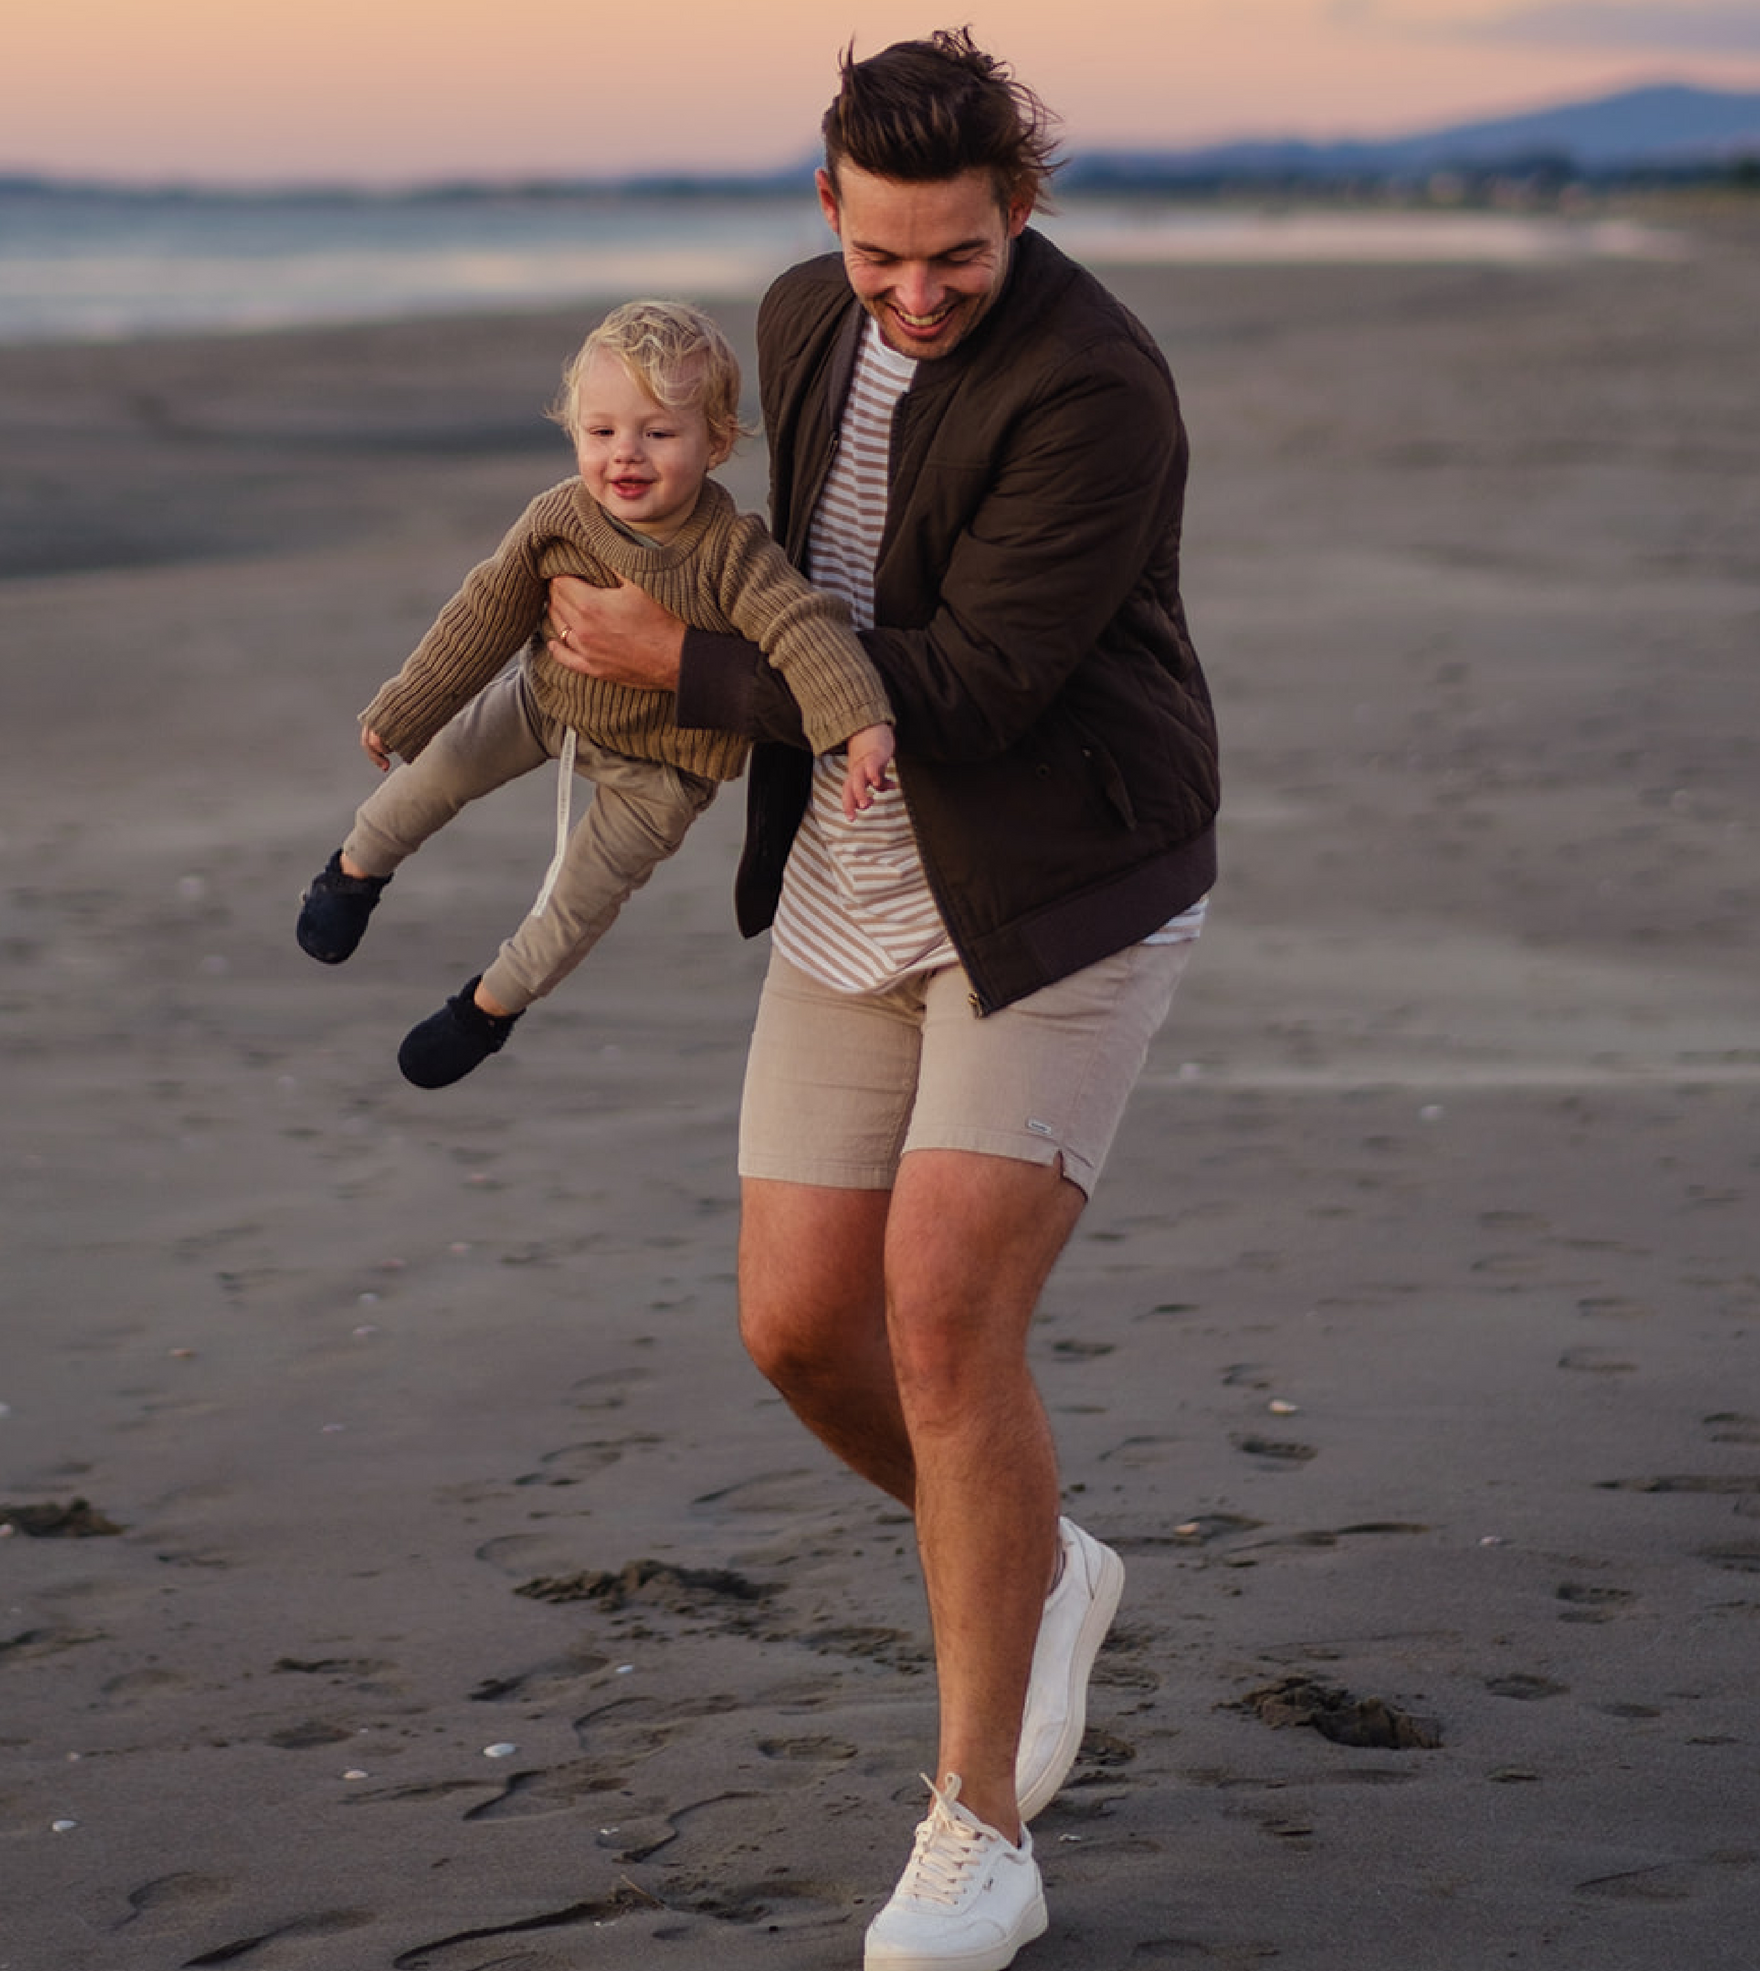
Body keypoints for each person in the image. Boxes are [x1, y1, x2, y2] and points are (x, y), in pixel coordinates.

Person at [547, 30, 1219, 1971]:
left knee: (941, 1319)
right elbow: (747, 550)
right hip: (856, 873)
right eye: (881, 258)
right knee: (796, 1329)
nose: (916, 298)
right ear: (826, 208)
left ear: (1022, 209)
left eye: (960, 260)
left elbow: (980, 686)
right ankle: (1048, 1561)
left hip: (1060, 878)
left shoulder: (1096, 386)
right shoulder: (793, 320)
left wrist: (680, 659)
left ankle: (975, 1827)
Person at [295, 299, 895, 1086]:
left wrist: (861, 725)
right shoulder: (559, 517)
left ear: (715, 442)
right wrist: (406, 707)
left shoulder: (732, 552)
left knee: (578, 901)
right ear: (574, 430)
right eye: (602, 431)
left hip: (664, 770)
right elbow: (486, 612)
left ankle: (486, 1009)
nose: (626, 455)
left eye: (659, 432)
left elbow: (804, 629)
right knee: (438, 770)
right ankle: (354, 871)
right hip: (548, 699)